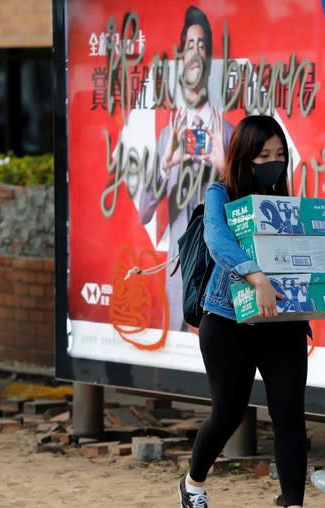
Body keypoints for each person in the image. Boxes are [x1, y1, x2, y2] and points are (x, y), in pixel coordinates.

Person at [177, 115, 325, 508]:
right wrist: (256, 278)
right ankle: (193, 483)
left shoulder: (286, 200)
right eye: (263, 156)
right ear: (243, 157)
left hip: (283, 325)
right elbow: (218, 240)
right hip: (228, 319)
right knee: (228, 412)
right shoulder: (220, 193)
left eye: (279, 155)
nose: (273, 163)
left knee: (289, 413)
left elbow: (307, 259)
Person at [137, 5, 234, 331]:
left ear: (208, 60)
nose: (196, 53)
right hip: (181, 272)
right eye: (190, 46)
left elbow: (246, 205)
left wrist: (225, 170)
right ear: (182, 58)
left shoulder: (230, 132)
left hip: (225, 273)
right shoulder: (169, 134)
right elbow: (143, 213)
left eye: (202, 46)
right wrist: (165, 165)